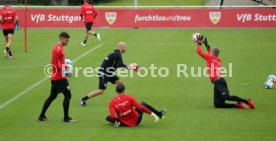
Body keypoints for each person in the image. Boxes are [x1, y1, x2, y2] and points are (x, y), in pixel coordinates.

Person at [196, 35, 256, 109]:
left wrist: (199, 43)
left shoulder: (210, 58)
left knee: (226, 97)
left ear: (211, 53)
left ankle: (247, 101)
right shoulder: (217, 59)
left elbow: (199, 52)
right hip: (218, 81)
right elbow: (210, 52)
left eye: (210, 52)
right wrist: (206, 45)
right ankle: (237, 105)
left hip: (219, 81)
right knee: (217, 104)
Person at [80, 42, 139, 106]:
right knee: (101, 90)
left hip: (109, 73)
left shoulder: (116, 52)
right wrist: (132, 67)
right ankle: (83, 99)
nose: (126, 48)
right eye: (125, 47)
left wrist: (131, 66)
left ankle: (121, 99)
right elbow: (121, 66)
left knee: (120, 83)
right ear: (121, 47)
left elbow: (118, 64)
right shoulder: (117, 54)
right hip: (104, 73)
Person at [38, 32, 77, 122]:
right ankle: (66, 118)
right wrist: (65, 70)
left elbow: (60, 62)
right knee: (68, 95)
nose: (68, 42)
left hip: (57, 77)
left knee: (52, 96)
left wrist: (66, 68)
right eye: (66, 40)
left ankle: (41, 116)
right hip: (59, 78)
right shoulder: (57, 49)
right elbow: (53, 64)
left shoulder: (60, 48)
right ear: (62, 39)